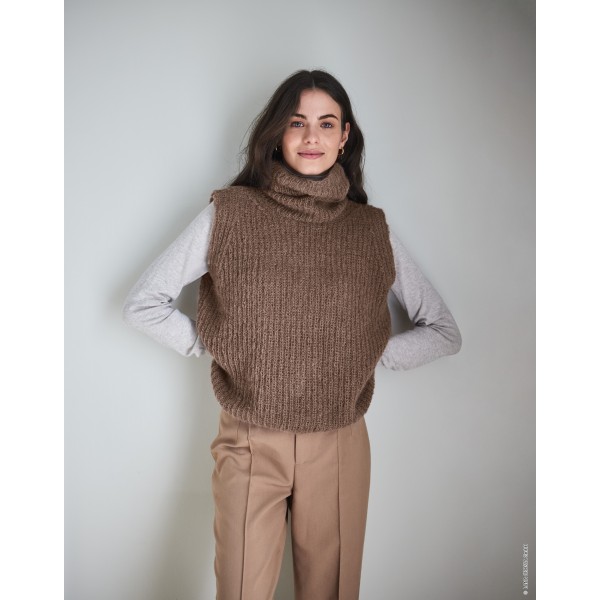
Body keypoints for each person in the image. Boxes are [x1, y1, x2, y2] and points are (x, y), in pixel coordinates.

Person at [122, 69, 462, 600]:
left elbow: (443, 331)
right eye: (297, 122)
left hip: (340, 442)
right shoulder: (231, 214)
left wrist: (367, 353)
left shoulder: (370, 229)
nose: (311, 137)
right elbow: (143, 304)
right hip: (249, 437)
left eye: (326, 124)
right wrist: (218, 341)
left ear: (344, 136)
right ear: (277, 131)